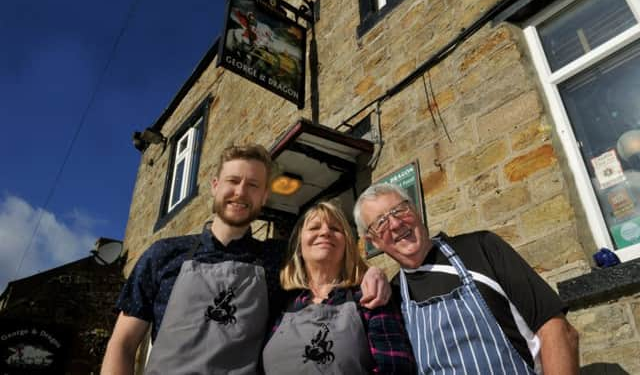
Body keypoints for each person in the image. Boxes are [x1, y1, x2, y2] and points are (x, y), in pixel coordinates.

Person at [101, 144, 390, 375]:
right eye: (233, 181)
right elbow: (123, 345)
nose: (240, 192)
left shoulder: (277, 259)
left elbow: (327, 260)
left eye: (253, 185)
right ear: (215, 185)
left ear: (264, 196)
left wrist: (371, 272)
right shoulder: (163, 254)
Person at [353, 183, 580, 375]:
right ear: (372, 241)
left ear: (416, 210)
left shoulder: (481, 249)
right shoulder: (393, 297)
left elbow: (556, 329)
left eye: (399, 210)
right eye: (381, 222)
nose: (395, 224)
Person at [262, 201, 416, 374]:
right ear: (299, 245)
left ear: (347, 244)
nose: (325, 232)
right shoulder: (279, 302)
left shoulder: (369, 297)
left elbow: (396, 368)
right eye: (314, 228)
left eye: (335, 229)